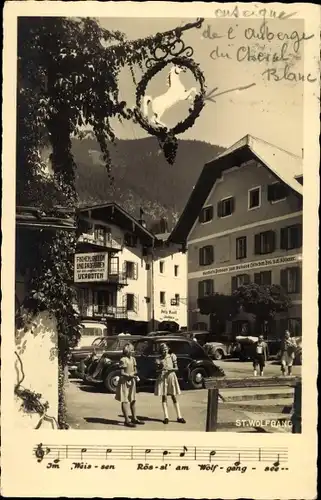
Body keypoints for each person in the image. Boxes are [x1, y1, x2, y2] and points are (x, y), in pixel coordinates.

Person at [154, 343, 186, 425]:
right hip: (163, 378)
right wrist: (160, 368)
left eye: (166, 349)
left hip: (171, 376)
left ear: (168, 349)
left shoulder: (172, 356)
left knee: (173, 396)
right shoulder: (159, 359)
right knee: (164, 397)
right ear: (161, 351)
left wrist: (170, 369)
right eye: (163, 349)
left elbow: (176, 368)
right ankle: (166, 417)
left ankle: (179, 416)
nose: (164, 351)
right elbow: (156, 371)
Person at [115, 343, 144, 427]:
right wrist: (129, 375)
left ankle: (134, 418)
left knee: (133, 399)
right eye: (131, 350)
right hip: (124, 382)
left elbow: (136, 370)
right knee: (125, 400)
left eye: (132, 350)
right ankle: (126, 420)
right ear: (127, 351)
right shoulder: (123, 359)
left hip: (132, 381)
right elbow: (122, 372)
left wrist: (134, 373)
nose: (133, 351)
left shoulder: (133, 359)